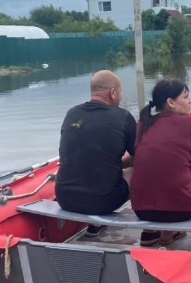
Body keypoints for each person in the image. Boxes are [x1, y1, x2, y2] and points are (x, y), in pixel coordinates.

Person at [55, 70, 136, 236]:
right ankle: (152, 227)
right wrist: (119, 165)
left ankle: (95, 226)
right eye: (120, 92)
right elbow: (139, 157)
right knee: (137, 170)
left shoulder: (72, 113)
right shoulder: (123, 117)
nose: (120, 97)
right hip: (104, 202)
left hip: (64, 198)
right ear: (113, 92)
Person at [130, 79, 191, 246]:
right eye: (185, 97)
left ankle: (150, 233)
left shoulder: (143, 123)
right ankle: (176, 233)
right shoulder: (190, 123)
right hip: (182, 211)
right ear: (171, 102)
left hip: (142, 211)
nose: (190, 100)